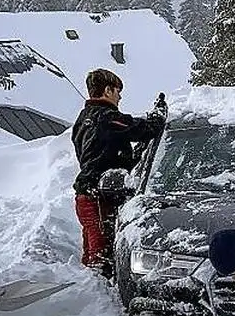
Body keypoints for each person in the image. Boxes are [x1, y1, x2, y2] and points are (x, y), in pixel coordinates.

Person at [71, 69, 166, 274]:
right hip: (98, 196)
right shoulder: (106, 117)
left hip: (88, 194)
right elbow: (140, 129)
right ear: (107, 90)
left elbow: (101, 153)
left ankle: (91, 286)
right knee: (101, 259)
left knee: (92, 253)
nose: (120, 97)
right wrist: (158, 118)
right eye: (117, 91)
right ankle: (97, 290)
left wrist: (133, 157)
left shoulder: (84, 118)